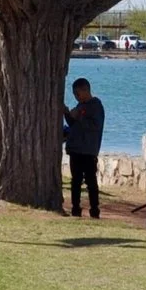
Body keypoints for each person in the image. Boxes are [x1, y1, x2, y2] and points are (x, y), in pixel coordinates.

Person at [63, 77, 106, 217]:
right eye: (74, 94)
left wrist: (80, 117)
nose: (76, 97)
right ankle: (76, 208)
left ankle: (95, 210)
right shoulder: (79, 106)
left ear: (86, 90)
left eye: (78, 94)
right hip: (75, 149)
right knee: (75, 181)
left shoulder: (96, 106)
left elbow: (95, 126)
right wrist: (67, 113)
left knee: (91, 182)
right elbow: (73, 125)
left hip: (88, 150)